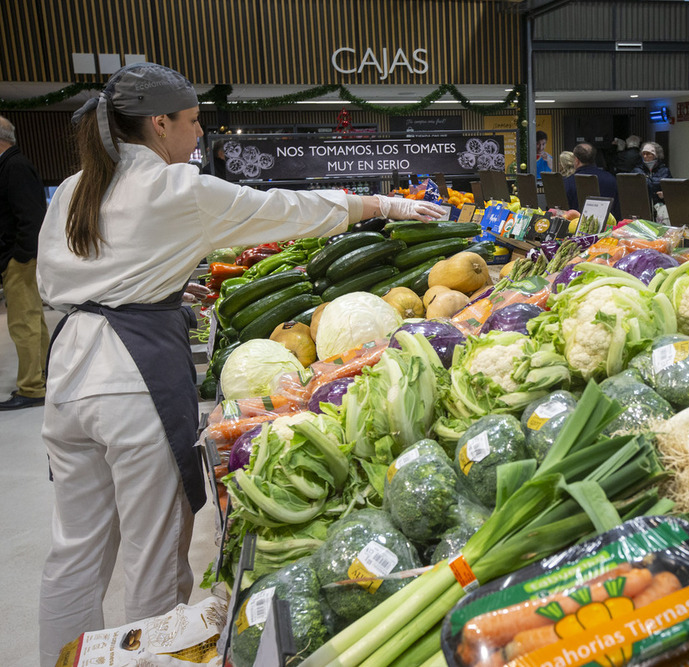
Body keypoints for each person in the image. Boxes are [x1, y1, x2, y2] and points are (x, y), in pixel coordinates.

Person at [35, 62, 444, 666]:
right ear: (159, 123)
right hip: (133, 380)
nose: (198, 134)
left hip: (69, 380)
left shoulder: (73, 189)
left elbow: (75, 283)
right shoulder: (177, 189)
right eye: (193, 121)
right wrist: (385, 203)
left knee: (75, 550)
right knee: (153, 548)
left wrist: (162, 286)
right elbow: (282, 208)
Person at [0, 115, 50, 410]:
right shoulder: (13, 166)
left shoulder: (15, 167)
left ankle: (31, 388)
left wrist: (20, 256)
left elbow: (30, 218)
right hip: (21, 257)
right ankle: (42, 376)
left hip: (21, 259)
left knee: (24, 323)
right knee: (32, 320)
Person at [563, 142, 619, 218]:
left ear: (576, 160)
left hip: (577, 227)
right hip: (608, 227)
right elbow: (618, 208)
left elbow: (564, 211)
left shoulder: (568, 182)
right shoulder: (611, 179)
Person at [631, 141, 672, 207]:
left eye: (648, 154)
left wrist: (665, 194)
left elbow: (671, 190)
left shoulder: (664, 171)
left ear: (656, 155)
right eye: (643, 153)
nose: (645, 156)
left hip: (660, 206)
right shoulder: (636, 170)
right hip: (642, 206)